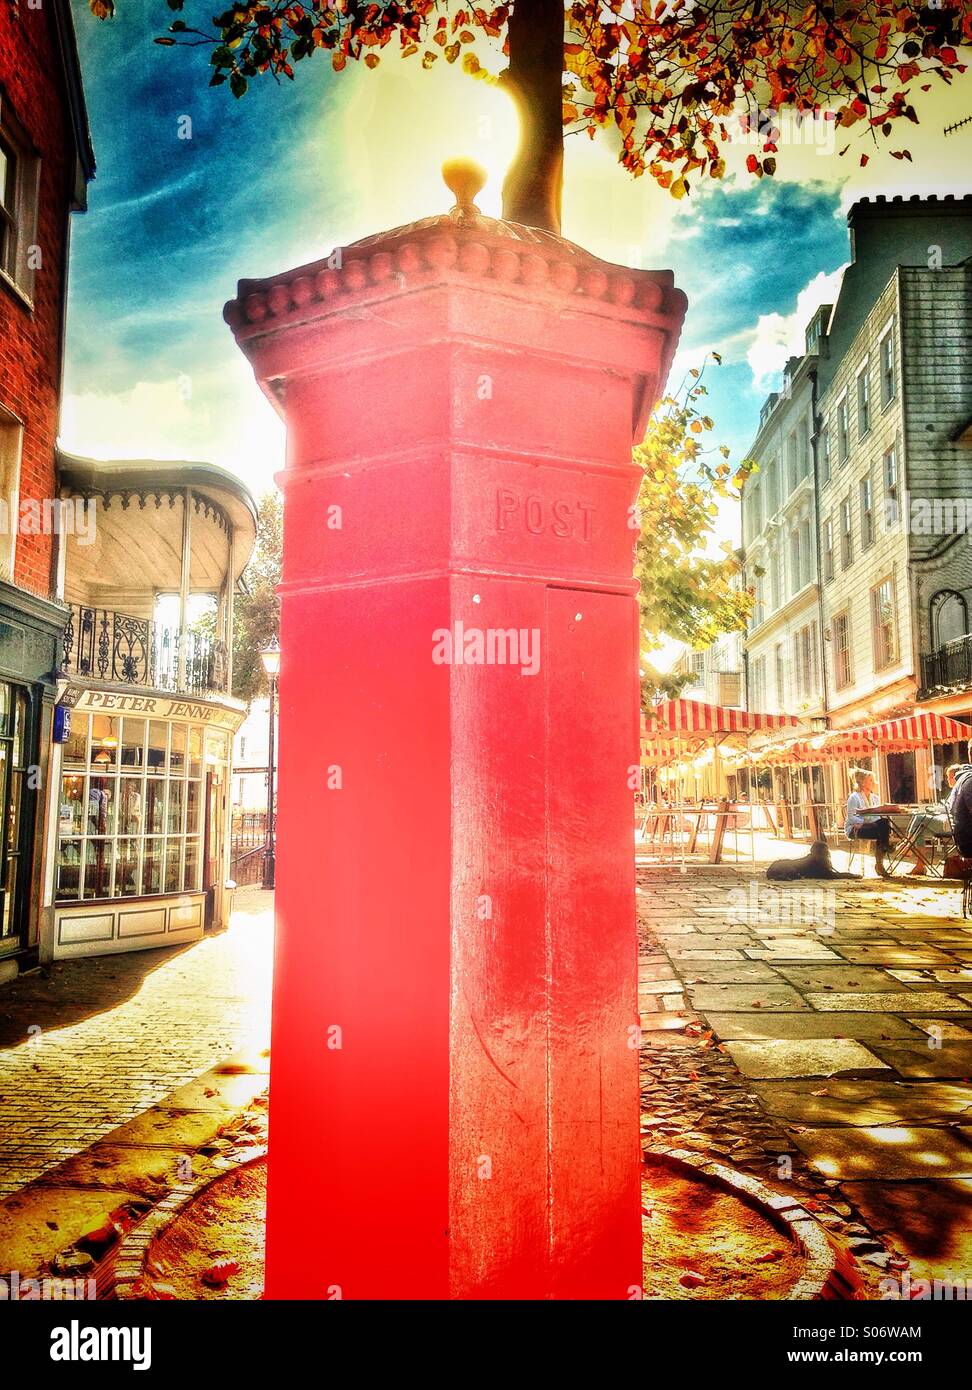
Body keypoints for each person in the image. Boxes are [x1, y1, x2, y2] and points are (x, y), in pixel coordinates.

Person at [845, 769, 893, 878]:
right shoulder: (854, 797)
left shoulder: (875, 798)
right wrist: (862, 823)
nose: (873, 782)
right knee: (883, 828)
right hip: (856, 829)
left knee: (883, 824)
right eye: (870, 780)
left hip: (873, 827)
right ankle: (880, 862)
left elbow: (878, 816)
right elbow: (852, 817)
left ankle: (881, 859)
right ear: (862, 782)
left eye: (873, 780)